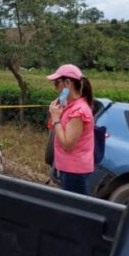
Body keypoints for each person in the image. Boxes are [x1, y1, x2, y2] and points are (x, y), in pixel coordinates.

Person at [46, 64, 95, 195]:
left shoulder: (79, 111)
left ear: (68, 83)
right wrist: (55, 113)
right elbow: (53, 127)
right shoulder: (70, 106)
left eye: (57, 83)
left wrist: (56, 118)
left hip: (75, 170)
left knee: (75, 210)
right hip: (68, 167)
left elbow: (67, 144)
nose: (55, 88)